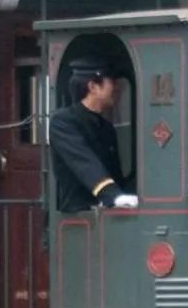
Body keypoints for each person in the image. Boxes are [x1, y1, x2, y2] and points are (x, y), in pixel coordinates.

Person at [49, 58, 138, 213]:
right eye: (111, 83)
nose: (116, 88)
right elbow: (83, 162)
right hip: (79, 213)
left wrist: (122, 195)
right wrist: (111, 195)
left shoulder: (107, 129)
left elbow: (115, 173)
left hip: (105, 212)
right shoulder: (63, 122)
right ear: (93, 87)